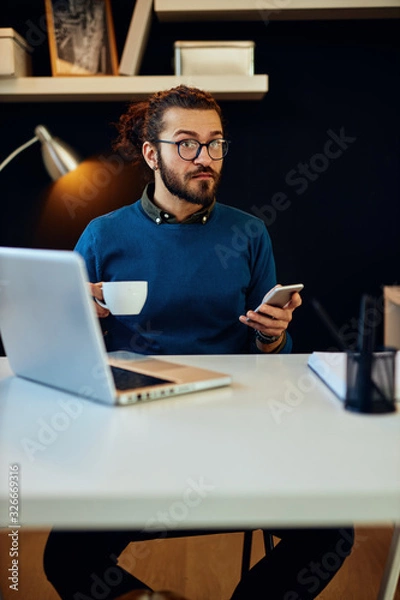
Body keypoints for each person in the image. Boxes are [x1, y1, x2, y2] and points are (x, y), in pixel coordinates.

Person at [43, 85, 354, 599]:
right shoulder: (102, 236)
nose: (205, 157)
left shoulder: (249, 234)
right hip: (134, 436)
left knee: (333, 531)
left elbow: (270, 348)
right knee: (67, 556)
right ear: (152, 153)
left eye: (215, 144)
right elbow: (68, 351)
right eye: (187, 143)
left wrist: (273, 338)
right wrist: (78, 318)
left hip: (235, 431)